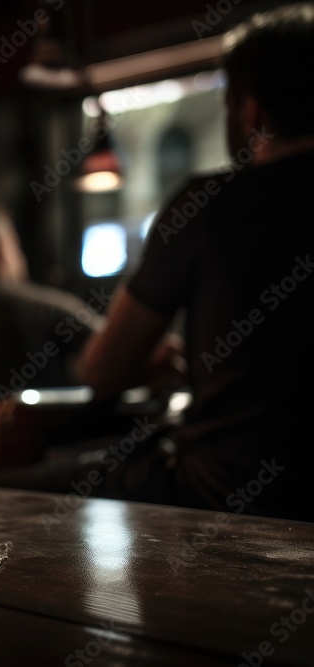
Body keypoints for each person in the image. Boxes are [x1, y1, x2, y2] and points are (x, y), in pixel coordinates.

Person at [72, 2, 314, 521]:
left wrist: (150, 357)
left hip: (220, 497)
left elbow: (102, 372)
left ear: (250, 110)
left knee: (8, 489)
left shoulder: (206, 204)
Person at [0, 195, 109, 480]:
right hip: (38, 475)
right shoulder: (47, 307)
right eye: (17, 244)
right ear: (2, 247)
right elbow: (117, 350)